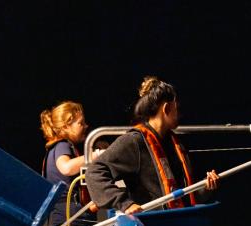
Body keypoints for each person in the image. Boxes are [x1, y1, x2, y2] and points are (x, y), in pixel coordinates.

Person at [85, 76, 219, 214]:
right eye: (176, 108)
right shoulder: (135, 141)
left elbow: (181, 196)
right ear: (166, 108)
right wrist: (125, 203)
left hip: (179, 223)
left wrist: (205, 188)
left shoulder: (176, 144)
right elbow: (94, 172)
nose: (180, 114)